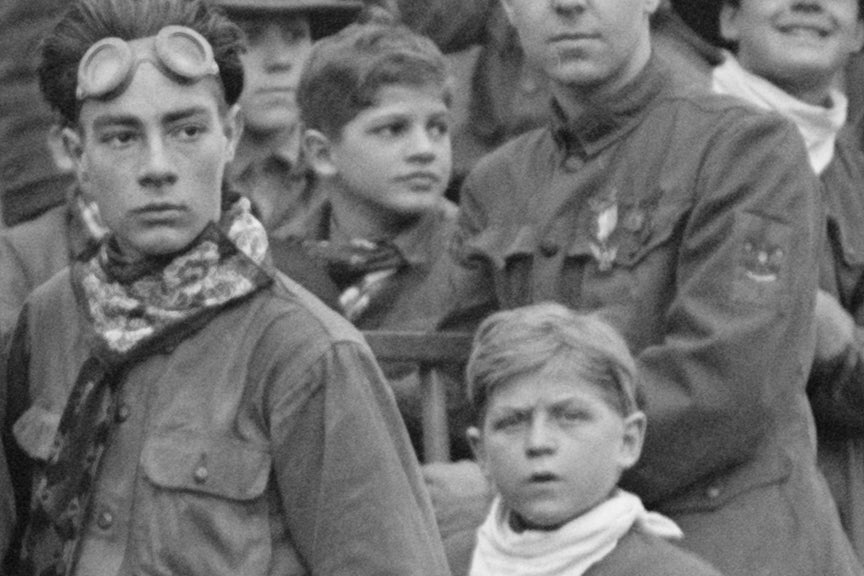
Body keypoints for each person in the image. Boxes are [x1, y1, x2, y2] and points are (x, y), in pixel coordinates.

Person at [0, 0, 451, 574]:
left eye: (187, 130)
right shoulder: (48, 321)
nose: (158, 167)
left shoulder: (307, 353)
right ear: (74, 154)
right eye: (121, 137)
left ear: (231, 134)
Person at [414, 0, 863, 575]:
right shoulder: (497, 184)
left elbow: (728, 382)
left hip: (729, 545)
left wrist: (517, 469)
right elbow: (458, 385)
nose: (568, 5)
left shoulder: (747, 149)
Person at [708, 0, 864, 561]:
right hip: (696, 516)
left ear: (859, 32)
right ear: (729, 20)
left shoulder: (858, 177)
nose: (808, 3)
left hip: (836, 519)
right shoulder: (671, 142)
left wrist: (839, 346)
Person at [269, 19, 467, 456]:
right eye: (393, 129)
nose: (425, 150)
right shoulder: (278, 262)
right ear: (322, 153)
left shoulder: (473, 259)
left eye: (437, 127)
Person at [465, 303, 724, 576]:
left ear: (628, 441)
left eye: (570, 416)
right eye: (512, 422)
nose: (538, 442)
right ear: (481, 452)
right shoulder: (444, 563)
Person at [214, 0, 364, 236]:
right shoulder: (176, 170)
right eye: (248, 38)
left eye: (295, 35)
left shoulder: (353, 171)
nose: (280, 61)